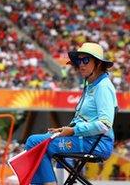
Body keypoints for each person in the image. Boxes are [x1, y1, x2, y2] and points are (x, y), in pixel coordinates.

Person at [24, 42, 117, 185]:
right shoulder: (91, 85)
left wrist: (73, 130)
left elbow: (105, 124)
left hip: (96, 144)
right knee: (44, 143)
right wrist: (64, 130)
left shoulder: (103, 87)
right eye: (79, 60)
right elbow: (84, 119)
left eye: (85, 60)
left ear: (98, 64)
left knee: (34, 142)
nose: (81, 64)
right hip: (87, 140)